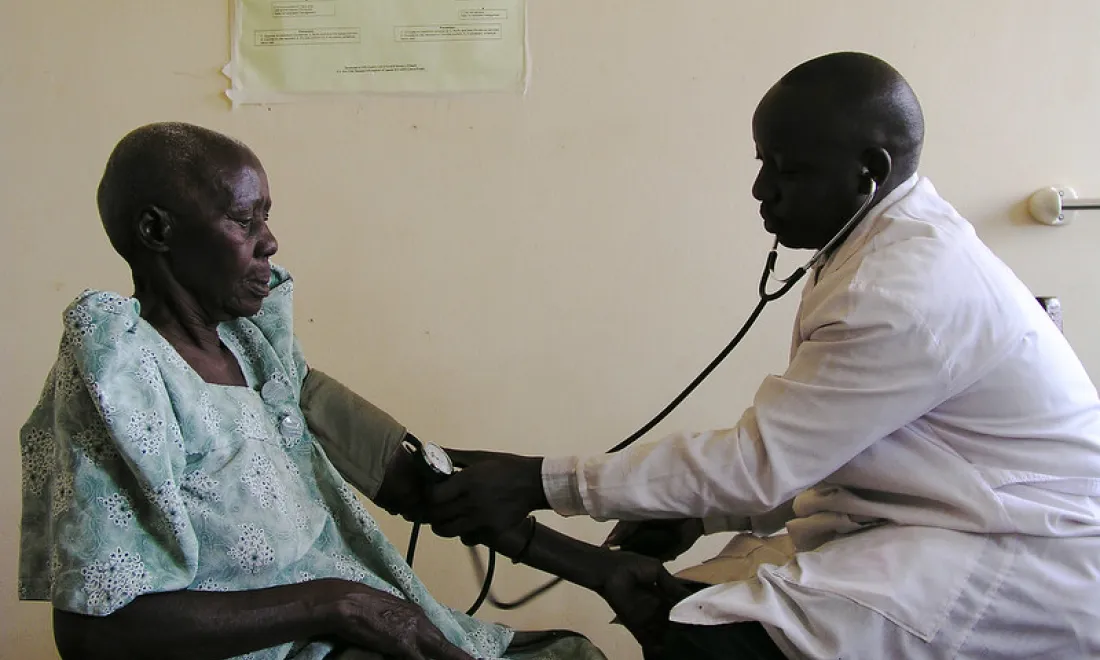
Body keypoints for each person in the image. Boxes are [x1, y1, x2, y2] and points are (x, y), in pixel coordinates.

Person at [423, 52, 1100, 659]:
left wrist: (539, 482)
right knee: (695, 598)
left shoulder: (899, 289)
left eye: (787, 170)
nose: (760, 190)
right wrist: (699, 512)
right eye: (761, 162)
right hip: (939, 518)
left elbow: (759, 466)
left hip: (1021, 554)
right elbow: (829, 450)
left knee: (706, 634)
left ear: (869, 173)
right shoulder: (876, 246)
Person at [17, 121, 659, 660]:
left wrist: (597, 569)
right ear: (157, 231)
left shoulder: (256, 349)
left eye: (267, 216)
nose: (270, 240)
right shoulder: (118, 378)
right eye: (244, 220)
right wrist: (336, 604)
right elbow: (91, 630)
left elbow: (417, 479)